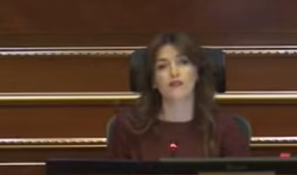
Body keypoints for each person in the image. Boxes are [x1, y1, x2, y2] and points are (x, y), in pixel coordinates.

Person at [107, 32, 250, 159]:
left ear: (197, 72)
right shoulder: (127, 126)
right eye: (162, 66)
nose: (174, 72)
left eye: (183, 62)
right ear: (153, 80)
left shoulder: (225, 127)